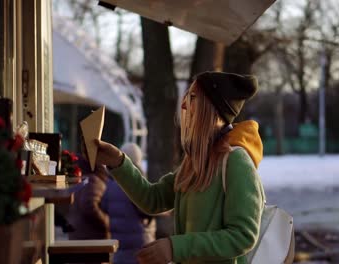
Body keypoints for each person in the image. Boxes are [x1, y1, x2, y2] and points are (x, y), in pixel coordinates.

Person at [95, 71, 265, 264]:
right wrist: (118, 161)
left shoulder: (236, 161)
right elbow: (153, 199)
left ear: (213, 109)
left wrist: (175, 248)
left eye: (192, 98)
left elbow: (243, 235)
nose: (184, 105)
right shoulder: (195, 162)